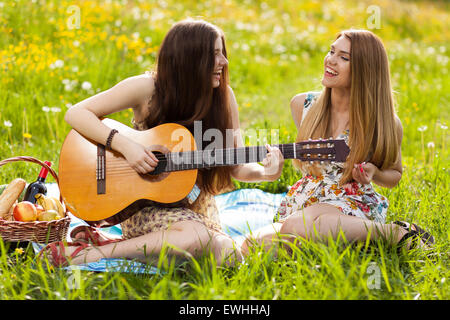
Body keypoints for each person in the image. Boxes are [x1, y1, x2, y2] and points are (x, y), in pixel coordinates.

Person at [40, 19, 284, 267]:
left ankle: (105, 243)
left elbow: (236, 166)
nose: (224, 62)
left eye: (223, 53)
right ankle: (91, 254)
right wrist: (126, 146)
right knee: (198, 239)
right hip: (142, 207)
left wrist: (266, 172)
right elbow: (76, 113)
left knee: (230, 259)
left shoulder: (224, 97)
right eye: (214, 55)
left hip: (194, 208)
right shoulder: (147, 88)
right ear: (190, 59)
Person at [241, 29, 434, 255]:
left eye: (344, 57)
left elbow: (394, 175)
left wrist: (374, 172)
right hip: (308, 199)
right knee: (251, 245)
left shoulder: (384, 122)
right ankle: (339, 246)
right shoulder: (303, 105)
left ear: (365, 70)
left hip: (351, 201)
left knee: (295, 228)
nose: (331, 60)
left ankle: (393, 233)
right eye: (332, 51)